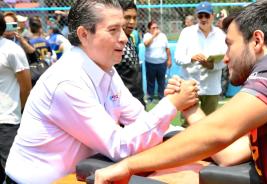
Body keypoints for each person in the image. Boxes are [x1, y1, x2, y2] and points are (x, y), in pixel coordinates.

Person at [95, 1, 267, 183]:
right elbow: (227, 154)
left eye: (230, 45)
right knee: (182, 173)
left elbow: (218, 133)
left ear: (257, 40)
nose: (227, 58)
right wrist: (191, 109)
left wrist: (128, 165)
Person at [4, 0, 198, 183]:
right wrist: (172, 103)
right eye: (113, 30)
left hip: (78, 175)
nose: (123, 37)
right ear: (83, 34)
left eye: (122, 28)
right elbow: (119, 146)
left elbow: (139, 118)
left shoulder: (106, 69)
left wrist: (194, 137)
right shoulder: (66, 81)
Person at [175, 1, 227, 116]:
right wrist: (191, 58)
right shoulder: (187, 32)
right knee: (187, 125)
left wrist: (212, 66)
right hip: (190, 87)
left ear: (212, 16)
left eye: (207, 15)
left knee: (209, 124)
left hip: (211, 88)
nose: (203, 19)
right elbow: (178, 58)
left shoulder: (221, 35)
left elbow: (225, 60)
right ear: (196, 17)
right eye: (200, 16)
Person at [0, 12, 32, 183]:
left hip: (7, 121)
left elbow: (26, 87)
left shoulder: (11, 50)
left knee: (13, 174)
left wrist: (19, 110)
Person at [114, 0, 145, 106]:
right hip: (123, 106)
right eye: (127, 17)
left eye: (134, 18)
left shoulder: (130, 39)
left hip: (137, 102)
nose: (132, 22)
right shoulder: (114, 43)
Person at [143, 20, 172, 103]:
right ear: (149, 29)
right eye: (153, 28)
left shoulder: (163, 36)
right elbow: (146, 44)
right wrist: (154, 36)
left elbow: (167, 48)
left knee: (161, 81)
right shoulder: (147, 35)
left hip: (162, 63)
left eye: (157, 27)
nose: (156, 29)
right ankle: (150, 98)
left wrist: (169, 59)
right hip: (150, 63)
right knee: (150, 81)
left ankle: (161, 97)